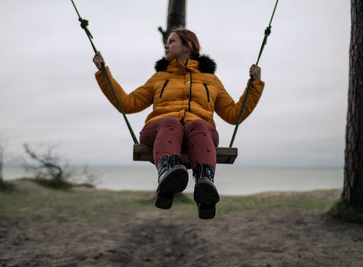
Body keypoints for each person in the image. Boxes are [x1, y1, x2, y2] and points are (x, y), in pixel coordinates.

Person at [93, 29, 264, 219]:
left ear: (187, 46)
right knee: (170, 121)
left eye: (171, 41)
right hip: (160, 131)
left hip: (198, 136)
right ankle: (167, 173)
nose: (166, 45)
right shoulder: (159, 77)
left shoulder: (211, 80)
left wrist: (254, 85)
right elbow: (127, 103)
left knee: (198, 125)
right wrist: (103, 73)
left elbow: (234, 115)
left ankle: (204, 184)